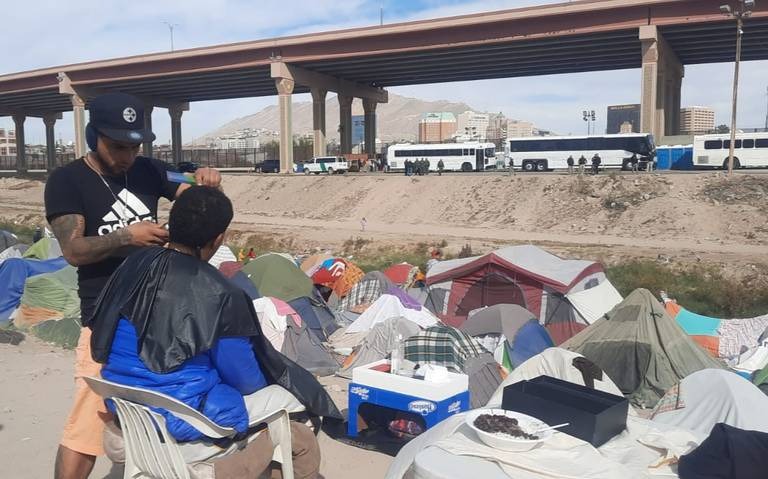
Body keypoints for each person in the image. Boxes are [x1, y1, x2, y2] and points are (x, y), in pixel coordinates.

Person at [90, 187, 335, 478]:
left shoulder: (134, 264)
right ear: (219, 238)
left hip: (130, 410)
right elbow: (246, 381)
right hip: (183, 418)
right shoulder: (219, 292)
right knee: (294, 403)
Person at [44, 92, 222, 479]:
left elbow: (193, 194)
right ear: (94, 136)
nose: (127, 155)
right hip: (105, 325)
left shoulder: (150, 170)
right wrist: (128, 237)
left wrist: (205, 180)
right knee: (87, 428)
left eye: (134, 145)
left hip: (159, 323)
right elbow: (73, 250)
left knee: (162, 418)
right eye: (117, 146)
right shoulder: (67, 180)